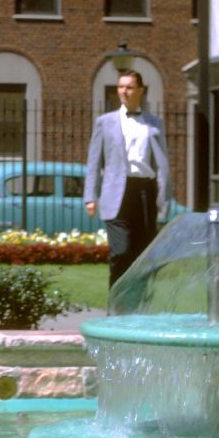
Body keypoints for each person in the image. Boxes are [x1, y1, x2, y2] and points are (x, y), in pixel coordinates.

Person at [83, 69, 169, 288]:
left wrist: (163, 197)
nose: (124, 91)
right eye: (121, 86)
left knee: (143, 254)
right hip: (116, 193)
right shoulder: (105, 122)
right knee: (121, 251)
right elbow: (94, 161)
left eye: (129, 87)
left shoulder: (154, 123)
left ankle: (137, 309)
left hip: (145, 191)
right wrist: (90, 196)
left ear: (140, 90)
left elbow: (162, 163)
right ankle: (116, 305)